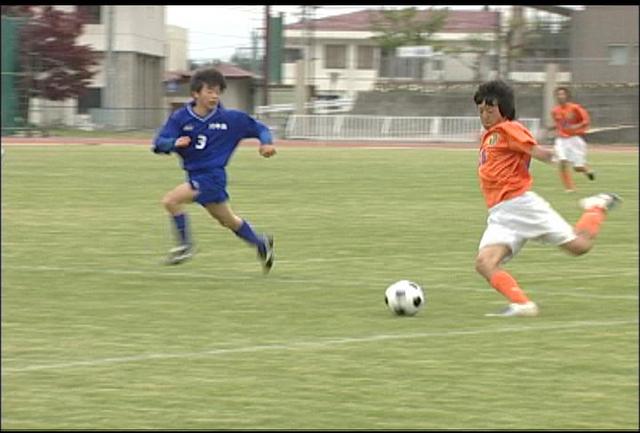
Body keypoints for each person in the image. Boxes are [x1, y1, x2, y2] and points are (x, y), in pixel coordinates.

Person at [473, 80, 621, 317]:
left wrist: (557, 159)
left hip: (521, 205)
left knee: (579, 246)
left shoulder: (510, 129)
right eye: (481, 110)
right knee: (484, 263)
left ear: (504, 108)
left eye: (490, 109)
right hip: (500, 213)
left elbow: (537, 151)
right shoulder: (489, 135)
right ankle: (523, 305)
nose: (485, 115)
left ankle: (596, 207)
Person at [152, 67, 276, 272]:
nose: (214, 96)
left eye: (218, 92)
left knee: (170, 200)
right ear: (195, 93)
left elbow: (260, 128)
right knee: (228, 221)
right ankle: (261, 243)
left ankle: (185, 246)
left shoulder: (230, 119)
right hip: (196, 175)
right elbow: (158, 144)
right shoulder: (180, 118)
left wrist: (266, 143)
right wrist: (173, 143)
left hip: (212, 177)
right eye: (209, 91)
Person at [548, 86, 595, 192]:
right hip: (561, 140)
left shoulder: (575, 108)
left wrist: (577, 127)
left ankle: (587, 170)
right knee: (562, 160)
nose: (560, 96)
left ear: (567, 96)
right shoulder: (555, 111)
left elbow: (586, 121)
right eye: (558, 94)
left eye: (563, 94)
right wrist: (553, 129)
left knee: (577, 168)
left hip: (575, 140)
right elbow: (561, 125)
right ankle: (570, 188)